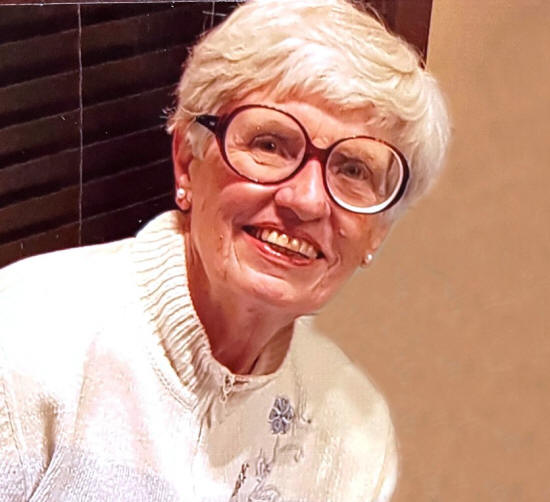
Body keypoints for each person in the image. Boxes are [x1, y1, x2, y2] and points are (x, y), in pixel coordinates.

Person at [0, 0, 450, 500]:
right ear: (187, 161)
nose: (306, 200)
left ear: (379, 230)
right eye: (270, 144)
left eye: (354, 170)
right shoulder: (25, 346)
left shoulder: (353, 437)